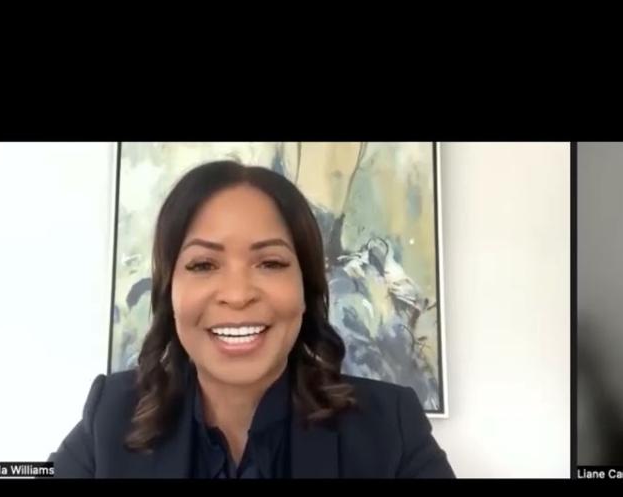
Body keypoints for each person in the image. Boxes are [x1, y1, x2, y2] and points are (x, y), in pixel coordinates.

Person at [52, 160, 455, 478]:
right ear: (169, 290)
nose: (238, 294)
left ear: (306, 287)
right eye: (204, 264)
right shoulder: (109, 416)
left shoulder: (391, 428)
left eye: (271, 262)